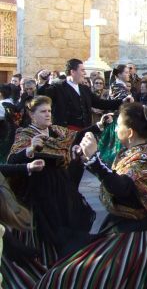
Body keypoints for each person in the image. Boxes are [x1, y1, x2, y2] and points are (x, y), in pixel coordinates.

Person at [36, 103, 147, 288]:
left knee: (65, 277)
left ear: (130, 132)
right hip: (127, 229)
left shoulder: (143, 157)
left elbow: (123, 187)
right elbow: (115, 176)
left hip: (136, 237)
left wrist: (94, 160)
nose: (116, 129)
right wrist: (87, 158)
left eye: (118, 125)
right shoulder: (137, 153)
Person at [7, 96, 106, 266]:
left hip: (62, 184)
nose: (48, 115)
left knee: (70, 220)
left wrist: (99, 125)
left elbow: (77, 135)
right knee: (50, 227)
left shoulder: (58, 131)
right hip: (40, 188)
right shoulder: (25, 134)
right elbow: (12, 160)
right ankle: (47, 263)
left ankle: (71, 261)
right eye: (43, 112)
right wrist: (29, 150)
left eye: (49, 111)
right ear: (32, 115)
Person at [37, 59, 129, 130]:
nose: (84, 73)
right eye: (82, 70)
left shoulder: (84, 89)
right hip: (64, 132)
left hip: (84, 130)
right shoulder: (57, 87)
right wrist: (42, 81)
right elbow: (42, 96)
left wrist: (122, 101)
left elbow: (100, 103)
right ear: (73, 72)